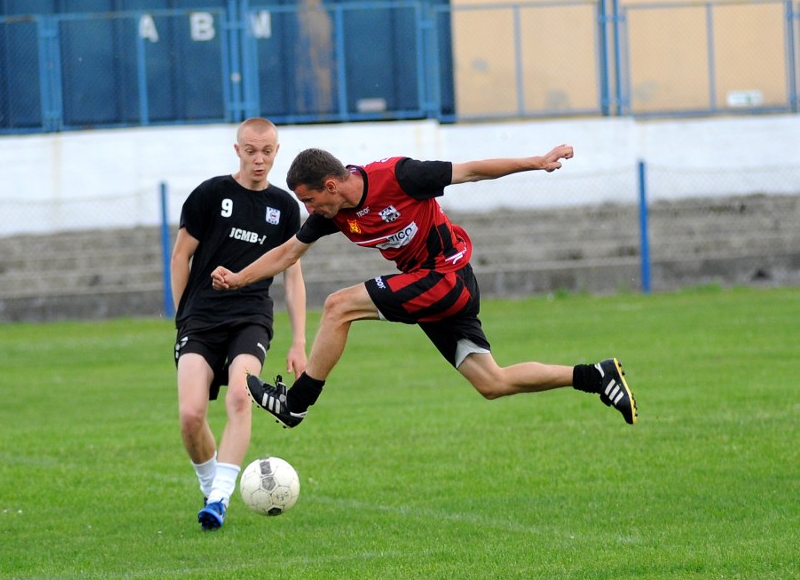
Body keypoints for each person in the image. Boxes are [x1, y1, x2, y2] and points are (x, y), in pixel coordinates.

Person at [210, 144, 637, 432]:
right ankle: (595, 376)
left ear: (331, 185)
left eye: (310, 200)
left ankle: (296, 404)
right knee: (492, 383)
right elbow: (288, 253)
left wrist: (537, 161)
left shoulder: (400, 176)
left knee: (339, 305)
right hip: (431, 289)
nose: (309, 210)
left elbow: (470, 171)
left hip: (448, 279)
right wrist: (237, 278)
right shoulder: (332, 214)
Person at [171, 117, 307, 531]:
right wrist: (182, 318)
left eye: (267, 152)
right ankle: (212, 486)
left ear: (277, 152)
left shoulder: (285, 208)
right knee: (191, 415)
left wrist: (300, 341)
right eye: (251, 151)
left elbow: (293, 275)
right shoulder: (210, 195)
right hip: (200, 317)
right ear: (237, 151)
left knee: (240, 398)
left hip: (250, 317)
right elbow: (180, 257)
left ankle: (220, 499)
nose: (259, 160)